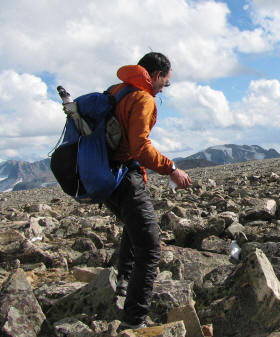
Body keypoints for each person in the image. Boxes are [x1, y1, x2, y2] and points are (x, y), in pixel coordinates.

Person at [103, 52, 191, 330]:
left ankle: (122, 285)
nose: (165, 87)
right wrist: (171, 168)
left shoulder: (117, 91)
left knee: (134, 228)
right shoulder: (143, 97)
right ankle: (135, 322)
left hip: (105, 174)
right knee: (150, 247)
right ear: (155, 75)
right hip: (123, 175)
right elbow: (140, 148)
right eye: (166, 81)